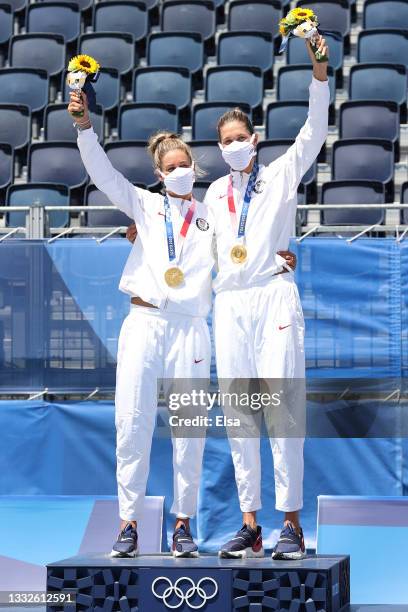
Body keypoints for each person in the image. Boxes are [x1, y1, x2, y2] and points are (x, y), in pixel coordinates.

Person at [68, 90, 216, 558]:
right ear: (159, 175)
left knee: (189, 430)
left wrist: (280, 257)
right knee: (131, 424)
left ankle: (183, 525)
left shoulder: (214, 216)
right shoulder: (145, 207)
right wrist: (84, 127)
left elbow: (246, 252)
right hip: (145, 324)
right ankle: (129, 524)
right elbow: (103, 174)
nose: (178, 172)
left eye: (183, 164)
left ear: (194, 166)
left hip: (191, 328)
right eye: (169, 168)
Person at [204, 33, 330, 560]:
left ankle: (293, 526)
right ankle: (251, 523)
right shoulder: (211, 193)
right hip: (229, 305)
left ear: (253, 139)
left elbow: (315, 130)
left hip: (274, 298)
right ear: (220, 147)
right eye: (224, 139)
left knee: (281, 413)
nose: (232, 145)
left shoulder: (281, 175)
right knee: (240, 416)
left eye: (239, 136)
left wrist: (318, 68)